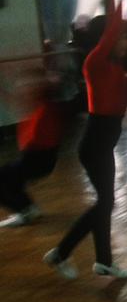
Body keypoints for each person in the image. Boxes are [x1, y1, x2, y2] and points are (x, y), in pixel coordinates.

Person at [43, 0, 127, 280]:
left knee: (105, 203)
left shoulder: (114, 61)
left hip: (103, 143)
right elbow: (112, 33)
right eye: (120, 38)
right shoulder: (95, 63)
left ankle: (104, 262)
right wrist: (119, 1)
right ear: (106, 40)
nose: (126, 42)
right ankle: (60, 253)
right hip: (95, 143)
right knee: (105, 203)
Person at [1, 59, 64, 227]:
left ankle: (27, 211)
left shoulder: (45, 107)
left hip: (39, 160)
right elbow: (16, 98)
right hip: (32, 159)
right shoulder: (35, 104)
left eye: (29, 85)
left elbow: (21, 96)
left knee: (9, 180)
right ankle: (27, 210)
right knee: (10, 181)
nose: (25, 88)